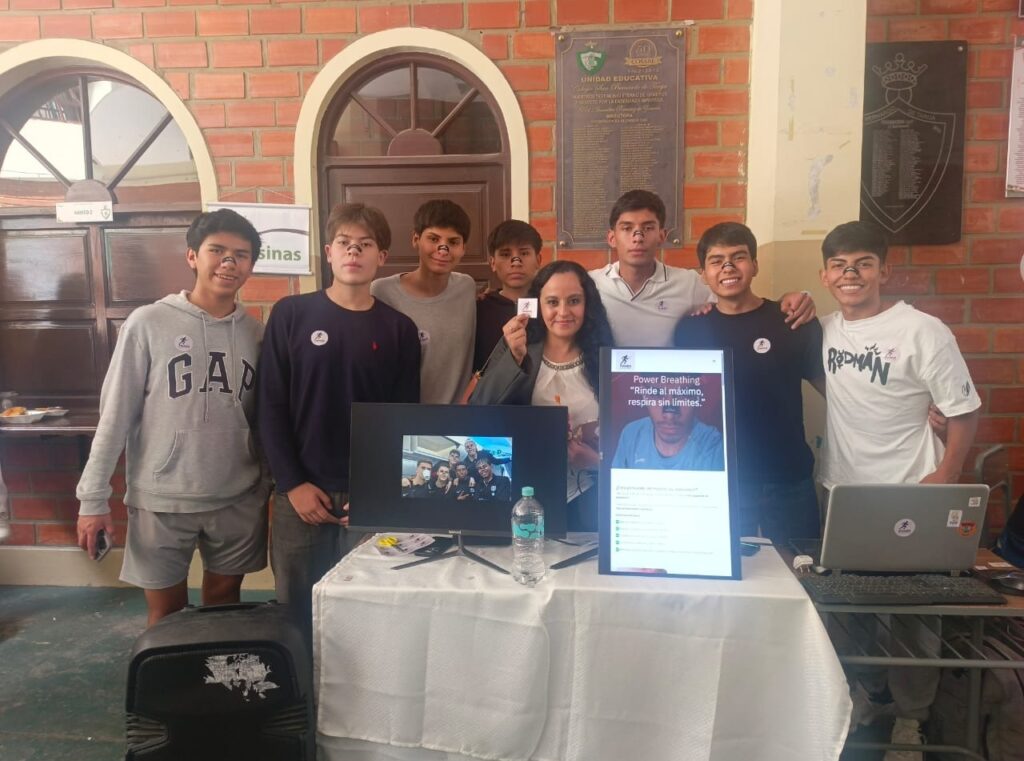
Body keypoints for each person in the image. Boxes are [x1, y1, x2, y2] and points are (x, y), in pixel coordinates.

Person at [818, 220, 981, 754]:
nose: (851, 274)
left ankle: (912, 721)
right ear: (825, 276)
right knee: (851, 608)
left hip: (912, 489)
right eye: (840, 265)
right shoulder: (823, 330)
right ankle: (870, 697)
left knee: (914, 614)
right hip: (844, 491)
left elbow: (963, 411)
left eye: (863, 264)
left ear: (884, 271)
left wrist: (946, 475)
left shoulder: (923, 330)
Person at [76, 209, 268, 627]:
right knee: (166, 615)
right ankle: (170, 673)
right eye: (217, 251)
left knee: (225, 606)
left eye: (241, 255)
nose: (229, 262)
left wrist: (264, 486)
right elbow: (115, 416)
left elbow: (263, 421)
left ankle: (213, 667)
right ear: (192, 256)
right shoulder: (148, 323)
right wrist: (93, 499)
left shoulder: (256, 334)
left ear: (251, 265)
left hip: (236, 496)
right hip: (161, 497)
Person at [258, 202, 420, 637]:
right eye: (345, 243)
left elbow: (402, 421)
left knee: (368, 610)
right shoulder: (290, 315)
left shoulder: (399, 329)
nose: (354, 251)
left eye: (365, 245)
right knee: (296, 611)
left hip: (368, 497)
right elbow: (269, 406)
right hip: (300, 495)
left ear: (381, 257)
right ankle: (302, 683)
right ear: (328, 252)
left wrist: (378, 491)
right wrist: (292, 484)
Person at [673, 222, 824, 542]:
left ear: (754, 265)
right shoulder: (689, 330)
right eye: (716, 261)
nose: (728, 267)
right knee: (726, 569)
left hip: (786, 474)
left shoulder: (791, 321)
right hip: (719, 475)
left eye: (738, 257)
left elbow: (835, 391)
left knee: (800, 564)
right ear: (703, 274)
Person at [470, 260, 613, 530]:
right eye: (552, 302)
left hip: (591, 498)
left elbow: (626, 439)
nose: (563, 312)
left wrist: (597, 462)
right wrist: (514, 358)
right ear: (537, 305)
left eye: (574, 301)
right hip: (528, 497)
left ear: (588, 305)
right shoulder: (519, 346)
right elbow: (479, 410)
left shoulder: (605, 355)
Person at [590, 189, 816, 347]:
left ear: (662, 235)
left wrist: (788, 300)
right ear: (611, 238)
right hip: (607, 390)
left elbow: (738, 302)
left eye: (648, 228)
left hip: (666, 392)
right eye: (627, 228)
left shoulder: (689, 283)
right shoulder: (590, 285)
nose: (638, 237)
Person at [371, 200, 476, 403]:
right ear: (416, 239)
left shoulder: (467, 287)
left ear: (463, 248)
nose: (443, 249)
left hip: (459, 417)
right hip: (403, 415)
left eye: (453, 242)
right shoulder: (382, 291)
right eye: (433, 239)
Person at [610, 378, 724, 471]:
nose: (669, 416)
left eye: (684, 394)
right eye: (656, 394)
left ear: (697, 395)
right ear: (643, 393)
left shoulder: (714, 447)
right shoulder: (631, 434)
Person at [474, 220, 543, 371]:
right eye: (505, 254)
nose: (516, 262)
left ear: (538, 260)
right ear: (493, 263)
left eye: (524, 253)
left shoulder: (551, 307)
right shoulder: (478, 310)